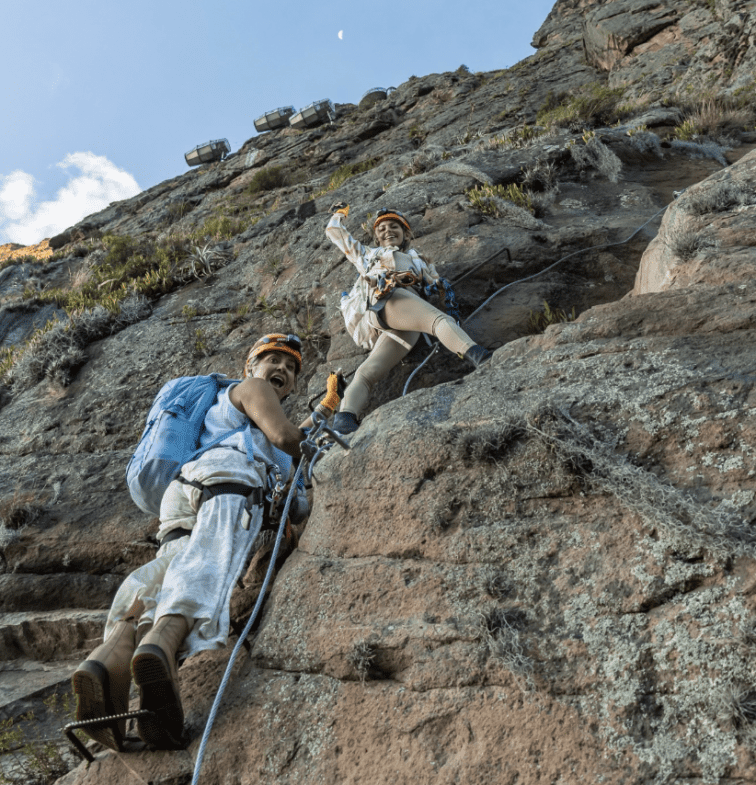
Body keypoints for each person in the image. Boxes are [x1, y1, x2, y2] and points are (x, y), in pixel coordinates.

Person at [71, 332, 314, 751]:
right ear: (249, 368)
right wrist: (315, 447)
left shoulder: (221, 409)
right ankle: (161, 647)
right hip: (227, 480)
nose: (282, 370)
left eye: (290, 367)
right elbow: (284, 438)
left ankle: (109, 657)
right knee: (206, 567)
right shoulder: (251, 390)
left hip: (181, 492)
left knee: (169, 570)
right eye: (272, 359)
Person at [326, 206, 491, 434]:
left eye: (394, 227)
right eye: (381, 229)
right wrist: (339, 214)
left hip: (403, 317)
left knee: (368, 372)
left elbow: (434, 283)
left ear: (407, 233)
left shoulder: (420, 261)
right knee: (437, 321)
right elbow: (335, 232)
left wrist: (436, 285)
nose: (387, 231)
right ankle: (482, 358)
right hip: (386, 300)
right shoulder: (366, 254)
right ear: (376, 236)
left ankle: (344, 419)